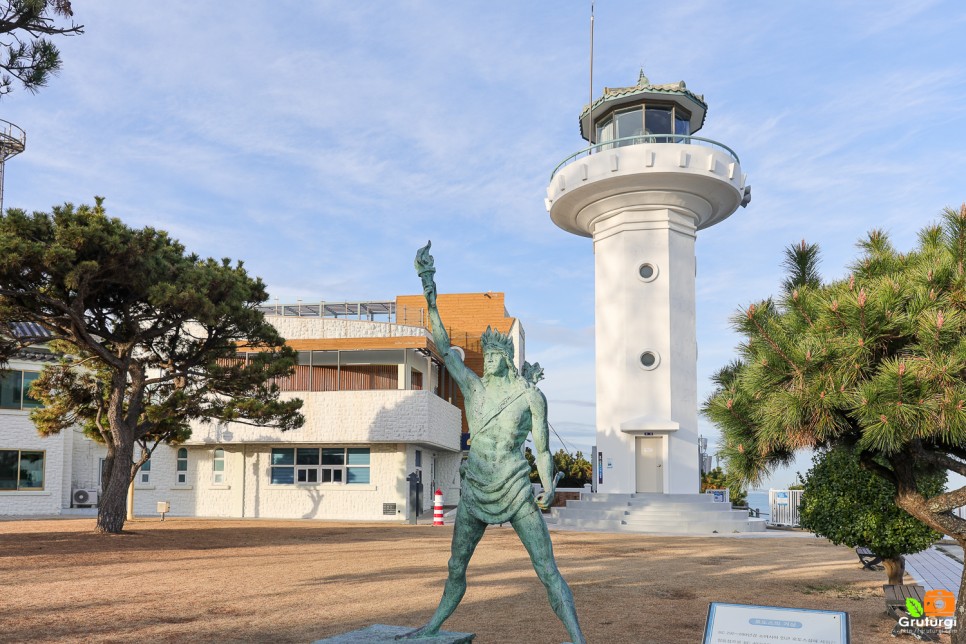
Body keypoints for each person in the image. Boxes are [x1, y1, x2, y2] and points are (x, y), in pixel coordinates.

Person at [403, 242, 585, 644]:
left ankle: (577, 637)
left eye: (493, 355)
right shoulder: (473, 387)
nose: (485, 361)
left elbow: (542, 448)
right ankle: (433, 626)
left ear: (506, 357)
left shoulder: (529, 397)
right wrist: (429, 290)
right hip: (475, 488)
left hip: (516, 487)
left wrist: (549, 483)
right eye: (483, 355)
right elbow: (442, 340)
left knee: (546, 568)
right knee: (456, 566)